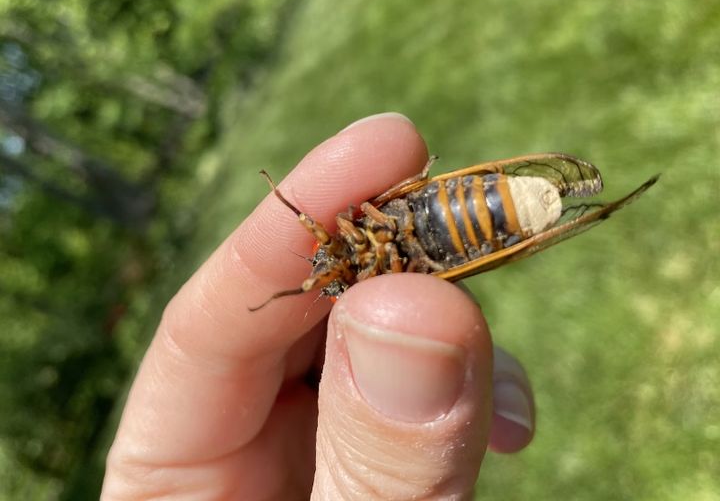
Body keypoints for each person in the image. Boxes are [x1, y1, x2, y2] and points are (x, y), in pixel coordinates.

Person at [101, 113, 535, 500]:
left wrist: (292, 200)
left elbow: (351, 212)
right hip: (444, 252)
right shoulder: (367, 281)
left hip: (433, 207)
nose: (324, 270)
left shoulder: (349, 229)